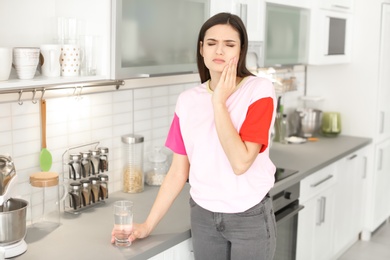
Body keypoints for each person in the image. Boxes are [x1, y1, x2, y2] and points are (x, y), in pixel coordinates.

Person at [111, 12, 277, 260]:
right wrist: (147, 225)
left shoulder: (259, 90)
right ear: (201, 49)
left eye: (229, 44)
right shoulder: (187, 101)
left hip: (249, 216)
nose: (219, 51)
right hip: (203, 217)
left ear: (240, 51)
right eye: (211, 43)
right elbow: (178, 172)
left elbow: (241, 162)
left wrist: (219, 102)